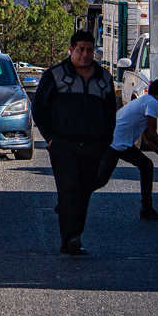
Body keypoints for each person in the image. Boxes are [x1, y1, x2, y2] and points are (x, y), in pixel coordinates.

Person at [32, 29, 115, 257]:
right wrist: (50, 139)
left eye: (90, 50)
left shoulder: (105, 78)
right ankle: (70, 238)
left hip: (93, 146)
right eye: (81, 50)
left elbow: (110, 113)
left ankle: (74, 234)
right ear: (71, 50)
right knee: (68, 187)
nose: (86, 54)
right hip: (63, 145)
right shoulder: (55, 75)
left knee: (84, 190)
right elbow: (38, 108)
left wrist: (105, 141)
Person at [101, 80, 158, 220]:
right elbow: (152, 135)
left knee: (146, 165)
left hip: (120, 142)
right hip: (114, 142)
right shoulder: (153, 103)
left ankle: (147, 208)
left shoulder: (144, 101)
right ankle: (70, 200)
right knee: (100, 179)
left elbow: (148, 140)